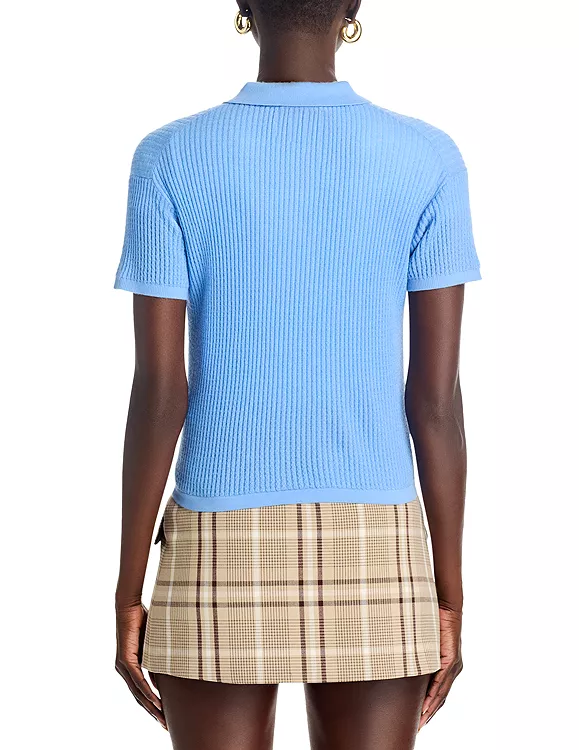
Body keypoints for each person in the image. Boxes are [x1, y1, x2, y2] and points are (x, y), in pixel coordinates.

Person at [113, 1, 481, 747]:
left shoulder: (171, 156)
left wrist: (128, 590)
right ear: (353, 8)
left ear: (243, 6)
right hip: (378, 540)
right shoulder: (426, 157)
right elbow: (435, 402)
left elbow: (160, 393)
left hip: (215, 535)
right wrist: (449, 596)